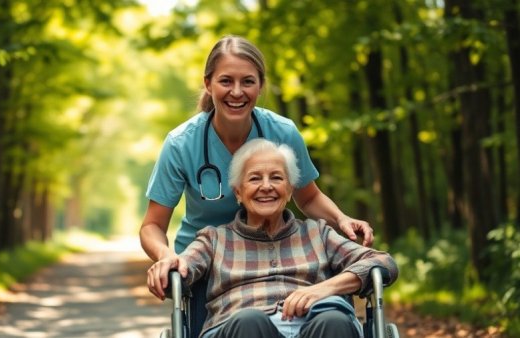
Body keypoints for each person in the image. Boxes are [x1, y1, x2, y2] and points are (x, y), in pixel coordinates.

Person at [140, 34, 374, 335]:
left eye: (247, 81)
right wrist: (166, 257)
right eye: (226, 81)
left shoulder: (282, 132)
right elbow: (152, 225)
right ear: (208, 84)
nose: (236, 92)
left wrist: (341, 219)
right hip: (212, 263)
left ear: (260, 86)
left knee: (331, 321)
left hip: (283, 245)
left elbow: (309, 197)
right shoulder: (181, 144)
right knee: (247, 322)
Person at [147, 139, 398, 338]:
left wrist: (326, 288)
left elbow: (383, 263)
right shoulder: (214, 239)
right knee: (249, 320)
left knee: (335, 321)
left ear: (289, 190)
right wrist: (166, 266)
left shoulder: (318, 233)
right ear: (238, 193)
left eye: (276, 178)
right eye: (255, 178)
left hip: (315, 326)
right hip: (240, 330)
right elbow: (180, 270)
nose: (266, 186)